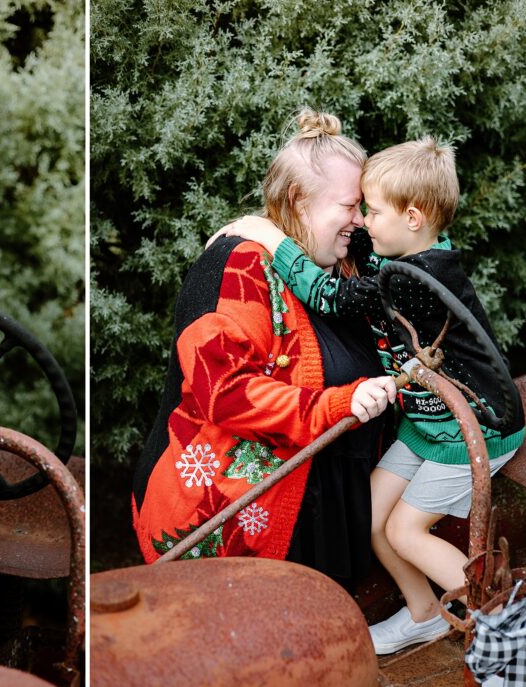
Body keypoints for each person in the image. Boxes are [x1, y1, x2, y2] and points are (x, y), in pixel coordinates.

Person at [220, 139, 525, 662]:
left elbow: (330, 295)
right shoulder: (412, 253)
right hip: (428, 422)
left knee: (406, 530)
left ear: (412, 216)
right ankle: (425, 616)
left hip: (473, 426)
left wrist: (267, 236)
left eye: (372, 210)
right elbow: (366, 255)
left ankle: (506, 637)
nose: (362, 222)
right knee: (372, 515)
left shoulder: (413, 280)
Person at [132, 109, 397, 587]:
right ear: (298, 200)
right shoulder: (236, 266)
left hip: (330, 506)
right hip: (237, 512)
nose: (360, 221)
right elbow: (224, 391)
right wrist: (336, 404)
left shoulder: (344, 266)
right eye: (350, 205)